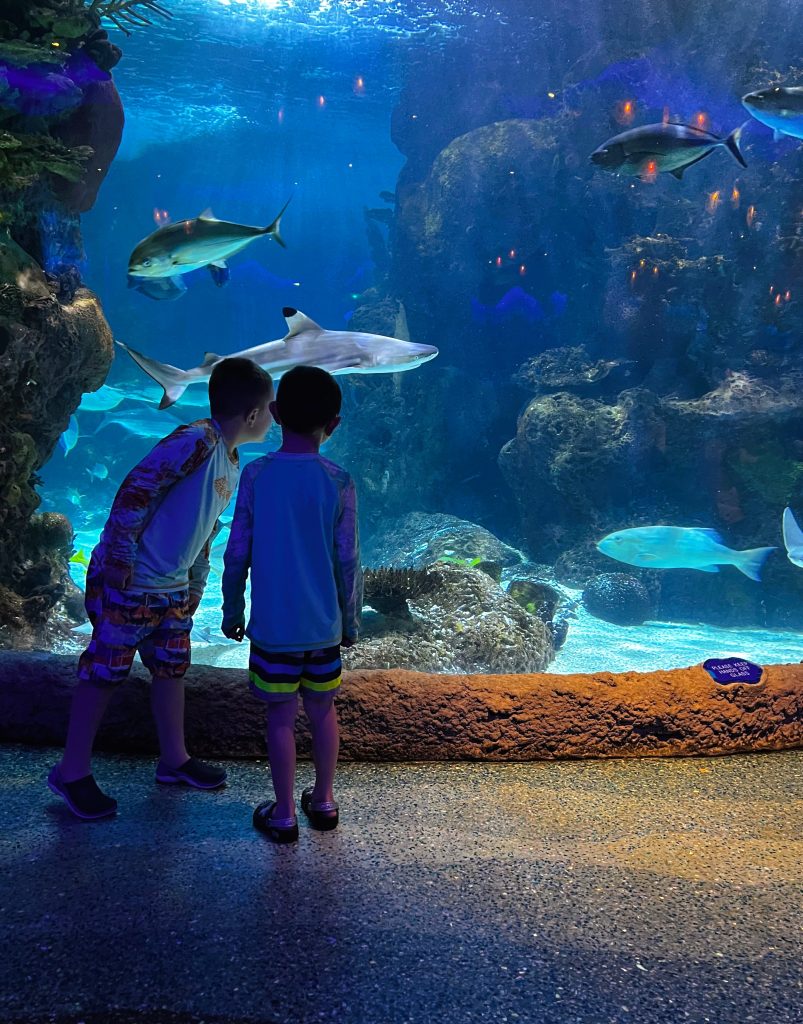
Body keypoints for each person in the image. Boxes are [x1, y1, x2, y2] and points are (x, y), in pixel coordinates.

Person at [48, 358, 274, 820]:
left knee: (172, 670)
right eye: (269, 409)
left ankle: (174, 760)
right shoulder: (196, 440)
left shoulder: (230, 459)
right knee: (103, 672)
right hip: (132, 584)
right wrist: (121, 560)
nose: (273, 419)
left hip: (171, 591)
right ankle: (71, 771)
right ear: (252, 415)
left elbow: (205, 531)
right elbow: (136, 490)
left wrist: (195, 584)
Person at [221, 365, 362, 844]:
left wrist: (232, 607)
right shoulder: (340, 481)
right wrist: (351, 620)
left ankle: (282, 814)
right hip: (324, 630)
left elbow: (237, 547)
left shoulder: (257, 475)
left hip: (273, 631)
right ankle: (323, 801)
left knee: (279, 718)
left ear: (276, 413)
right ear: (334, 423)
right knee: (324, 711)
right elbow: (349, 561)